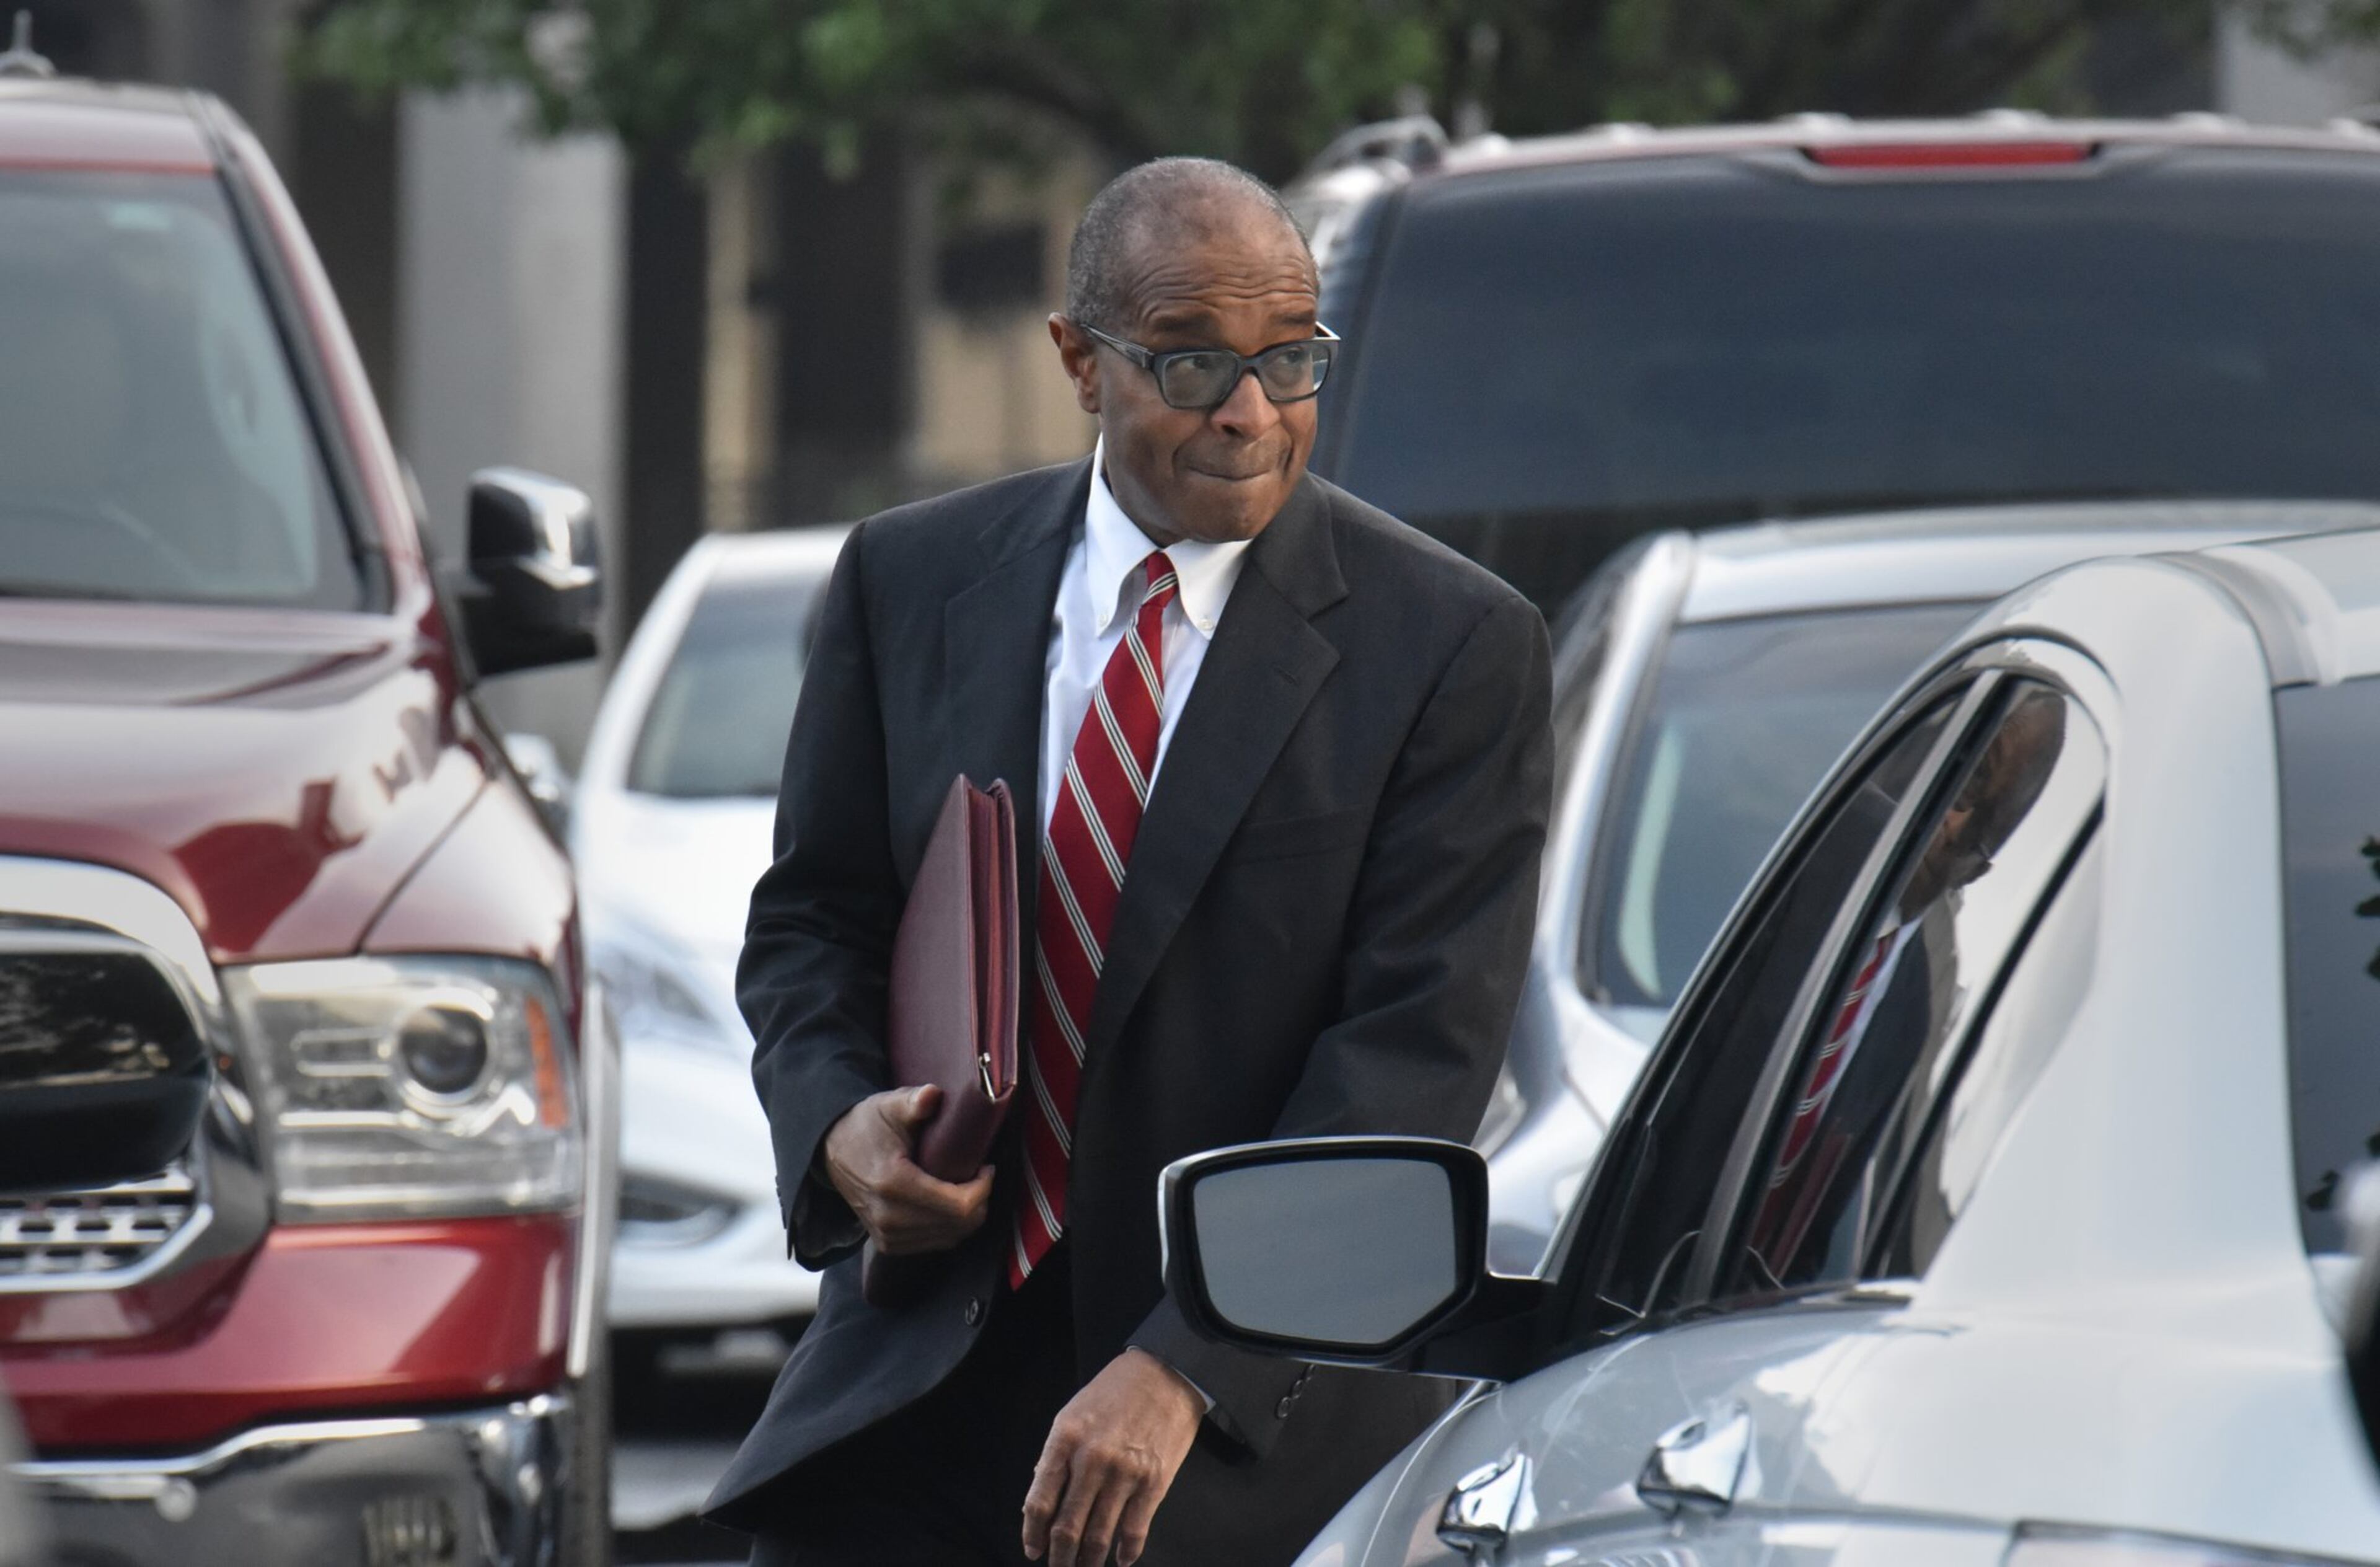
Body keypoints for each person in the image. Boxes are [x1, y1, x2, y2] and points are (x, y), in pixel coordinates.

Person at [704, 156, 1553, 1567]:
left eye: (1292, 360)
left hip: (1242, 1443)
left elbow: (1409, 1062)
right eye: (1193, 363)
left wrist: (1189, 1367)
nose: (1252, 412)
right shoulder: (907, 581)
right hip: (914, 1393)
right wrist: (842, 1128)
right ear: (1078, 361)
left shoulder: (1452, 648)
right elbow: (813, 926)